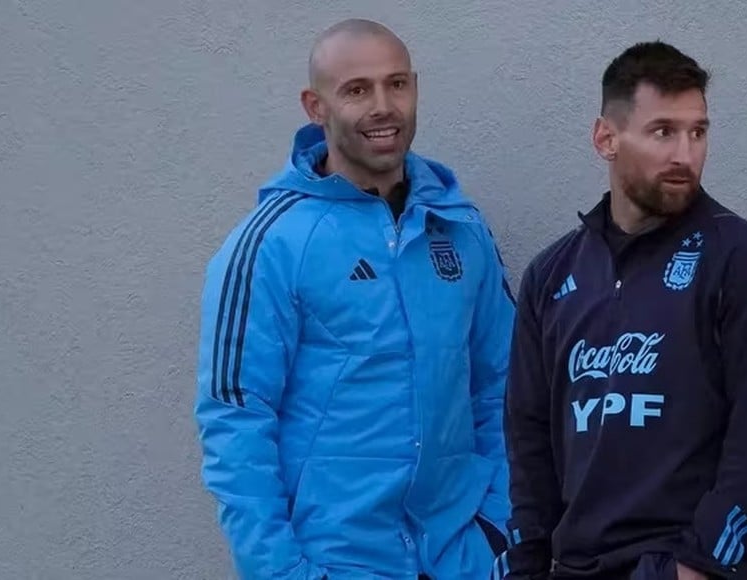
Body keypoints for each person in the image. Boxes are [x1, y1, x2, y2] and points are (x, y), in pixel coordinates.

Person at [194, 18, 516, 579]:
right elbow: (235, 420)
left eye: (397, 84)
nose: (383, 106)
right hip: (337, 560)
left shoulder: (460, 229)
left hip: (459, 557)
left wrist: (498, 527)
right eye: (356, 90)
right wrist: (281, 572)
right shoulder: (270, 241)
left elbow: (506, 384)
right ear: (315, 107)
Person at [498, 41, 747, 580]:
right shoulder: (551, 276)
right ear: (606, 139)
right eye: (663, 131)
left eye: (698, 132)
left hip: (684, 565)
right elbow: (528, 439)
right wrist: (526, 562)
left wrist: (698, 566)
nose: (685, 154)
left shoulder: (746, 264)